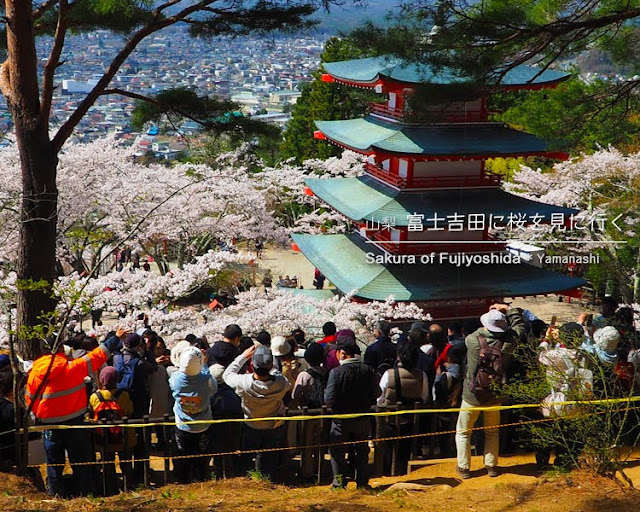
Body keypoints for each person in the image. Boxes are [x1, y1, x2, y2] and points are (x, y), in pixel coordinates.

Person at [25, 332, 120, 496]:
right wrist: (115, 338)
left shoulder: (35, 373)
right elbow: (98, 355)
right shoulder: (73, 367)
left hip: (50, 424)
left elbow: (29, 400)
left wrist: (39, 417)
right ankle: (83, 494)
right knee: (80, 461)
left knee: (54, 464)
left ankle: (56, 495)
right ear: (61, 349)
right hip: (75, 421)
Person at [455, 304, 524, 479]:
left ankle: (464, 468)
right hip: (496, 394)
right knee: (492, 431)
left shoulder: (472, 340)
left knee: (463, 431)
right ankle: (491, 466)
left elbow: (477, 330)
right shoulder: (509, 342)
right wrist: (508, 309)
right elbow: (520, 328)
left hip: (472, 395)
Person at [223, 344, 290, 480]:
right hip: (273, 425)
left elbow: (227, 374)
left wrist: (243, 356)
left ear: (252, 365)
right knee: (269, 458)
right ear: (270, 366)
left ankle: (246, 480)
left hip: (251, 424)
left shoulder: (243, 382)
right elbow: (282, 378)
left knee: (247, 456)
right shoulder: (281, 384)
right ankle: (267, 481)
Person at [324, 337, 381, 490]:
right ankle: (362, 482)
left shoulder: (336, 373)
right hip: (362, 417)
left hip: (340, 419)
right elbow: (377, 392)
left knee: (337, 450)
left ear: (342, 354)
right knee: (362, 450)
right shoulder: (368, 370)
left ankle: (339, 483)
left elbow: (329, 399)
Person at [378, 338, 429, 474]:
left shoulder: (389, 374)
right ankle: (403, 471)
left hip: (390, 420)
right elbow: (424, 397)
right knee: (405, 448)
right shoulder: (421, 375)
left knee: (388, 447)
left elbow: (380, 397)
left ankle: (387, 472)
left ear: (399, 357)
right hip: (410, 420)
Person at [169, 346, 217, 483]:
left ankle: (183, 481)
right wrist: (205, 365)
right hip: (203, 425)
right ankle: (200, 480)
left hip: (183, 424)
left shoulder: (175, 379)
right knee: (201, 459)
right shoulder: (207, 379)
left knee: (183, 456)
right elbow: (213, 389)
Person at [89, 366, 135, 495]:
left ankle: (109, 489)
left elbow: (91, 413)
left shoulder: (95, 397)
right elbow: (129, 411)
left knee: (108, 464)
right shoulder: (124, 395)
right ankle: (128, 488)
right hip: (123, 437)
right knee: (125, 463)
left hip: (104, 439)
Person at [291, 343, 328, 481]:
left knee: (307, 444)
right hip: (324, 413)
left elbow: (296, 395)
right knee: (321, 443)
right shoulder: (328, 373)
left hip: (307, 414)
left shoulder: (304, 375)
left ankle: (307, 472)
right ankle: (321, 468)